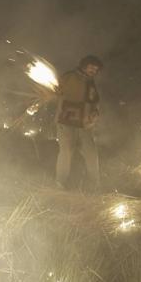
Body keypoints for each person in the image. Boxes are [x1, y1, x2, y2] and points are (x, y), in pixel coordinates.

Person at [55, 55, 103, 191]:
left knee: (91, 153)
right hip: (66, 122)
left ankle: (95, 184)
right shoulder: (69, 77)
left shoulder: (91, 82)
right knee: (66, 153)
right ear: (84, 66)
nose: (94, 70)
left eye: (96, 69)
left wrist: (95, 113)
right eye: (91, 67)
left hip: (85, 125)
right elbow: (55, 90)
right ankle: (59, 184)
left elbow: (95, 101)